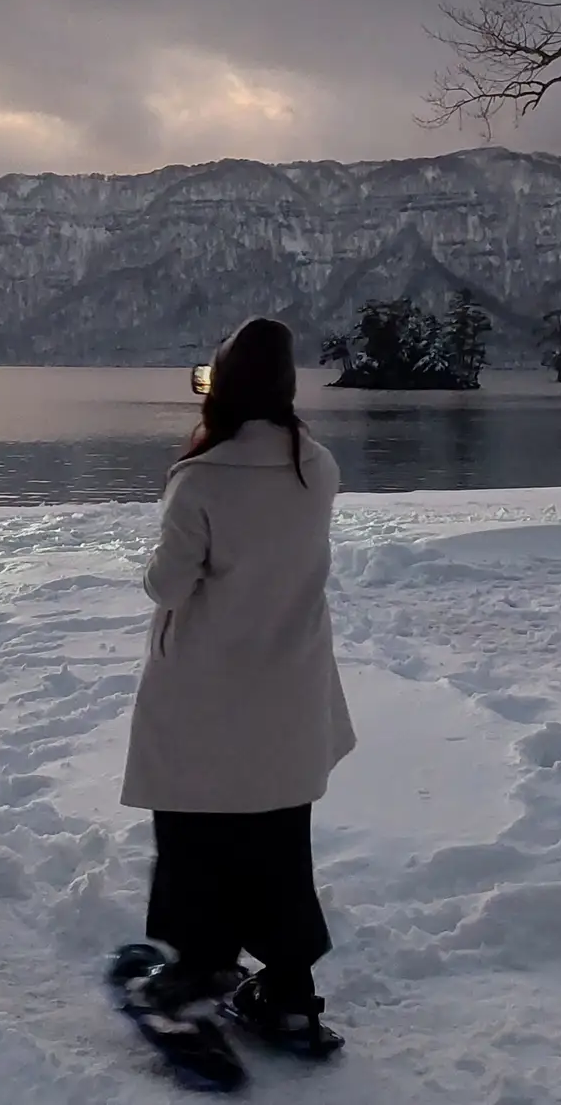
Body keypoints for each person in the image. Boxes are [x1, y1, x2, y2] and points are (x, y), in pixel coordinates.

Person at [120, 317, 356, 1043]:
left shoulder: (202, 479)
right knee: (278, 839)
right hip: (290, 684)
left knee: (193, 829)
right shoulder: (315, 467)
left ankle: (199, 966)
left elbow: (168, 586)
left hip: (208, 689)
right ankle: (289, 990)